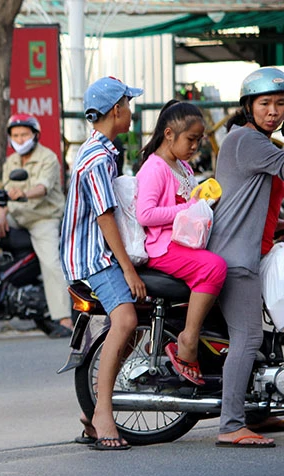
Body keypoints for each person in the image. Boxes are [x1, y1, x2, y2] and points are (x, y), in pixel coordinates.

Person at [60, 76, 146, 451]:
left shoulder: (102, 149)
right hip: (94, 257)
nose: (132, 112)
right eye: (129, 105)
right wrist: (127, 268)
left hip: (99, 251)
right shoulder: (97, 158)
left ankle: (93, 404)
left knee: (138, 318)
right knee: (126, 319)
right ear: (117, 110)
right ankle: (102, 413)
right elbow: (105, 217)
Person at [206, 67, 284, 448]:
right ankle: (231, 424)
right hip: (237, 256)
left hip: (244, 248)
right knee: (249, 336)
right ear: (248, 107)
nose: (273, 111)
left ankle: (257, 412)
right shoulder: (251, 142)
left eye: (280, 104)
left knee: (267, 333)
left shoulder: (249, 140)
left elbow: (254, 201)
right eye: (265, 103)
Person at [135, 100, 227, 386]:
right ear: (169, 134)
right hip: (161, 248)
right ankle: (188, 339)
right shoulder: (155, 168)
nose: (195, 147)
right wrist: (187, 209)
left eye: (199, 141)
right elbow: (145, 214)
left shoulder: (183, 166)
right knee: (215, 267)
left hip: (184, 242)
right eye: (191, 139)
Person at [0, 113, 73, 337]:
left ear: (35, 135)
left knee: (50, 263)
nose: (19, 139)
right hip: (17, 215)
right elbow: (5, 193)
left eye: (24, 134)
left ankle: (64, 318)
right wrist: (1, 214)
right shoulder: (11, 161)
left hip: (42, 217)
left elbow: (43, 188)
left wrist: (23, 194)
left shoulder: (48, 157)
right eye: (16, 135)